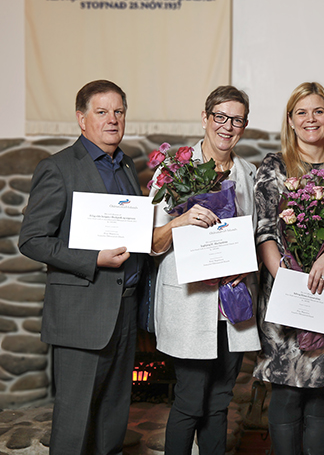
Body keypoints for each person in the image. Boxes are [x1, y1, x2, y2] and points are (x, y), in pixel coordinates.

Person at [18, 80, 148, 454]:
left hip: (124, 311)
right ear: (81, 119)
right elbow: (32, 240)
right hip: (81, 316)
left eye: (118, 112)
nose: (112, 120)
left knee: (113, 421)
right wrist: (93, 259)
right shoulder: (57, 168)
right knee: (74, 427)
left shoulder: (126, 165)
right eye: (102, 112)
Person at [253, 82, 324, 454]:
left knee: (320, 396)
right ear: (290, 120)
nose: (310, 119)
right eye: (301, 112)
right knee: (286, 394)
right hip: (284, 294)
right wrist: (286, 279)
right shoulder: (274, 166)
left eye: (318, 111)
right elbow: (266, 228)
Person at [149, 85, 260, 454]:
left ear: (244, 125)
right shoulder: (173, 170)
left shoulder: (250, 174)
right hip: (190, 301)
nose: (227, 127)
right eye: (220, 117)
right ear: (205, 118)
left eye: (237, 120)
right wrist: (180, 221)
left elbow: (256, 238)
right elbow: (152, 242)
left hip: (232, 306)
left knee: (220, 403)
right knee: (190, 401)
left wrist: (246, 267)